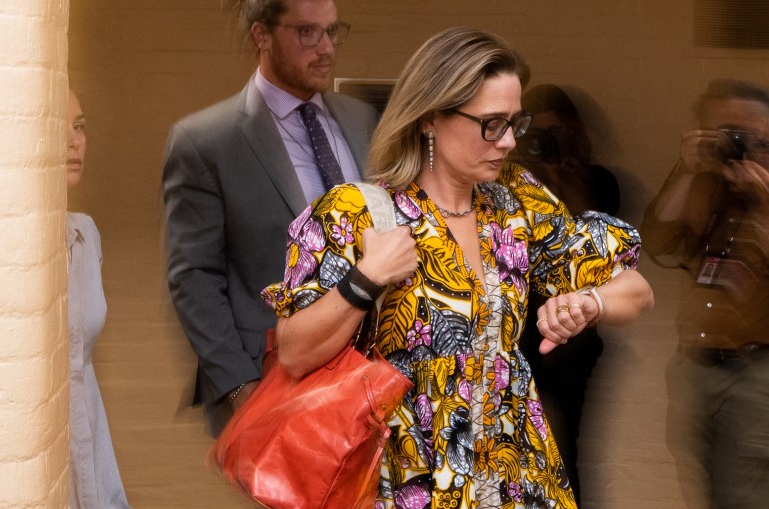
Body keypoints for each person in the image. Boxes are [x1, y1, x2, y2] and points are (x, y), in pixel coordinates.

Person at [261, 27, 654, 509]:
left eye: (515, 122)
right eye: (491, 124)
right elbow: (295, 353)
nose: (508, 141)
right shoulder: (355, 213)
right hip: (406, 479)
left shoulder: (516, 203)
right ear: (430, 118)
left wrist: (589, 303)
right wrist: (365, 280)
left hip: (517, 474)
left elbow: (635, 290)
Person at [162, 0, 378, 435]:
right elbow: (194, 279)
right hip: (275, 384)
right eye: (307, 33)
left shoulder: (364, 122)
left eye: (332, 31)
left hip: (371, 380)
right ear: (261, 35)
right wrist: (241, 392)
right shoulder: (206, 141)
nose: (325, 49)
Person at [641, 79, 769, 509]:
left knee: (751, 496)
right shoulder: (708, 183)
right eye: (722, 133)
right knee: (715, 492)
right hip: (702, 365)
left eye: (744, 132)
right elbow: (659, 241)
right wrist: (688, 169)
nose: (734, 144)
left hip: (765, 369)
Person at [512, 83, 621, 504]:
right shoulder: (510, 182)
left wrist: (558, 176)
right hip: (514, 332)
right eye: (532, 133)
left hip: (572, 341)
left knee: (559, 446)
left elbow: (586, 241)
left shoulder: (598, 179)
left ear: (573, 132)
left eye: (552, 134)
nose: (541, 143)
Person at [65, 90, 131, 508]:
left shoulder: (86, 234)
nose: (74, 141)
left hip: (87, 420)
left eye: (80, 127)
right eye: (58, 127)